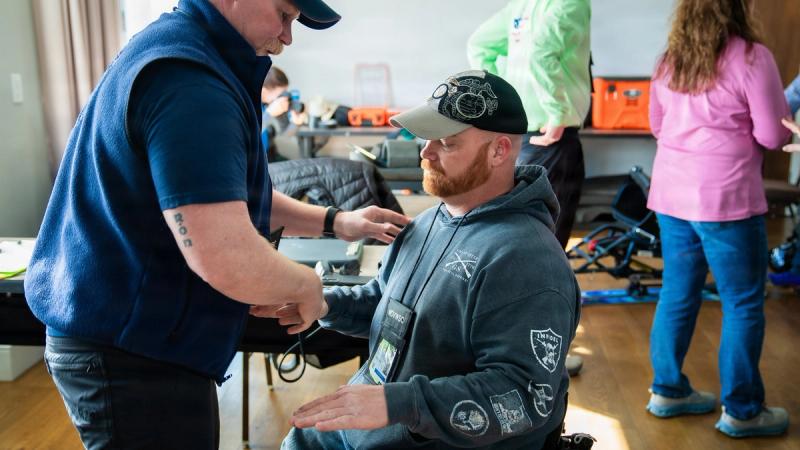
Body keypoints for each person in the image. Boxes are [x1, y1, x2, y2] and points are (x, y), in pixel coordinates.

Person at [24, 0, 410, 448]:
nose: (287, 38)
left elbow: (226, 195)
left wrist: (336, 221)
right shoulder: (190, 81)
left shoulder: (183, 50)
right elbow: (225, 256)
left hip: (137, 340)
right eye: (285, 16)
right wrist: (307, 287)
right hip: (129, 353)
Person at [258, 70, 581, 449]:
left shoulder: (527, 261)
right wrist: (325, 303)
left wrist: (398, 403)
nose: (425, 153)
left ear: (499, 151)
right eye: (426, 139)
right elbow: (387, 305)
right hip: (375, 428)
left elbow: (525, 397)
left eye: (445, 142)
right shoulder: (428, 222)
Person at [644, 0, 790, 438]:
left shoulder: (669, 60)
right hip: (725, 199)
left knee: (677, 292)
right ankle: (742, 412)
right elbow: (772, 133)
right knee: (743, 302)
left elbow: (657, 124)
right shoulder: (751, 56)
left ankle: (666, 391)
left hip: (671, 195)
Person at [467, 0, 591, 250]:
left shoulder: (523, 6)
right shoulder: (571, 3)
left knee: (517, 232)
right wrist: (557, 113)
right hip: (552, 135)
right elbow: (541, 51)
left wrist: (501, 100)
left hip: (518, 134)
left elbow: (479, 45)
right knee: (547, 242)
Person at [261, 66, 306, 161]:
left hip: (268, 155)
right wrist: (269, 114)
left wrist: (296, 124)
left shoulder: (274, 104)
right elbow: (247, 134)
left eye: (285, 93)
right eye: (279, 95)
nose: (283, 98)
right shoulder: (248, 105)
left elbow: (285, 135)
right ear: (263, 91)